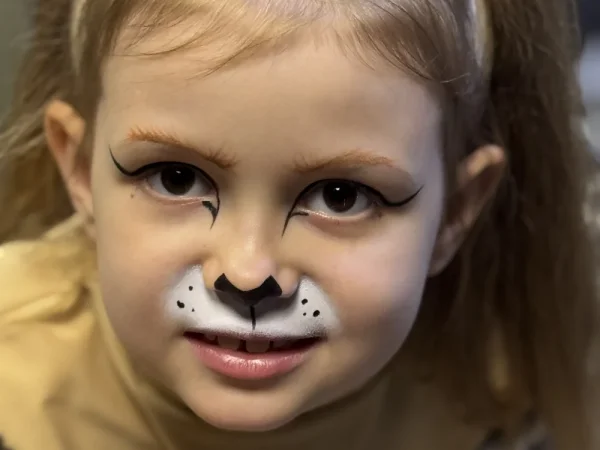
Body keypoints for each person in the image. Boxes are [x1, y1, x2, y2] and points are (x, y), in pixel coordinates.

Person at [0, 0, 596, 449]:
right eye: (176, 179)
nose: (248, 274)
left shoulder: (504, 380)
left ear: (456, 212)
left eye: (342, 196)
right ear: (80, 171)